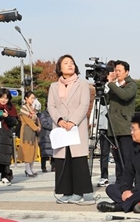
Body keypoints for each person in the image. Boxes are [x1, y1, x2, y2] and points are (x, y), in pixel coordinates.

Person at [47, 54, 93, 204]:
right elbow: (51, 106)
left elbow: (84, 104)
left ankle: (79, 193)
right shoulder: (54, 86)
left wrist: (72, 121)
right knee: (62, 160)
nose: (70, 65)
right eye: (66, 63)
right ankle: (65, 192)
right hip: (60, 127)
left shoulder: (82, 84)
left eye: (72, 62)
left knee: (78, 160)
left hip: (76, 127)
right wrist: (59, 120)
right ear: (60, 67)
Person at [106, 60, 137, 183]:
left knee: (126, 158)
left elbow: (125, 96)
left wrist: (112, 85)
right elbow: (105, 101)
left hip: (125, 128)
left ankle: (128, 183)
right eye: (115, 71)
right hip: (113, 129)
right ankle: (119, 182)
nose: (116, 73)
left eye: (119, 71)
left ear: (127, 72)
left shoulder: (131, 85)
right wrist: (107, 86)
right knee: (117, 159)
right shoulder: (114, 85)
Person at [18, 91, 41, 177]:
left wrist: (39, 125)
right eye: (31, 98)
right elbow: (28, 121)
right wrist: (36, 127)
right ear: (26, 98)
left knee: (33, 150)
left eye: (33, 98)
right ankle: (27, 170)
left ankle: (31, 169)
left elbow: (36, 118)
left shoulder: (33, 109)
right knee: (27, 150)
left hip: (33, 132)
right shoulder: (24, 108)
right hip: (27, 131)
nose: (32, 100)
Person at [38, 99, 53, 173]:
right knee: (44, 152)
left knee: (54, 151)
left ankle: (54, 166)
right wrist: (53, 127)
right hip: (45, 135)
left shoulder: (55, 113)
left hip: (53, 135)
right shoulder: (43, 114)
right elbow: (44, 123)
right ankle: (43, 167)